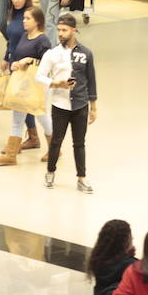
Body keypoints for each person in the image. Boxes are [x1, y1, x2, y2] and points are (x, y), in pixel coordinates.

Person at [38, 14, 97, 193]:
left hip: (80, 105)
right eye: (59, 31)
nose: (61, 34)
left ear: (74, 30)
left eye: (64, 30)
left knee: (79, 143)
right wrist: (55, 84)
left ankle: (82, 177)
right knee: (56, 141)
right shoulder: (52, 54)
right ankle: (50, 172)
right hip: (60, 105)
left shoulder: (86, 53)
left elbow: (91, 79)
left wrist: (93, 106)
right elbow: (39, 76)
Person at [0, 5, 52, 168]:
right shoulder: (25, 36)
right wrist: (15, 64)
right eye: (24, 18)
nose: (24, 21)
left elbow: (48, 64)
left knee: (41, 115)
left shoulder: (43, 40)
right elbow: (18, 55)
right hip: (22, 83)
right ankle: (11, 155)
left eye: (28, 19)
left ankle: (55, 148)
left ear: (37, 21)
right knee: (17, 119)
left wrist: (29, 61)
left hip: (37, 85)